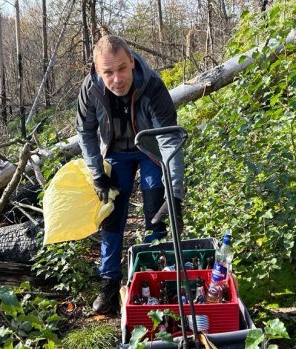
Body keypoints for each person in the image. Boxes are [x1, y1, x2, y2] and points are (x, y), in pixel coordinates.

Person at [75, 35, 185, 314]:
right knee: (111, 215)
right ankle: (109, 282)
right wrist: (97, 173)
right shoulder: (91, 90)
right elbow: (85, 132)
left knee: (154, 210)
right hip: (115, 152)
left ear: (132, 62)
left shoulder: (152, 86)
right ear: (98, 72)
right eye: (108, 72)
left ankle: (152, 278)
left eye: (122, 69)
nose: (117, 79)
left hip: (149, 150)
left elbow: (169, 139)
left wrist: (174, 194)